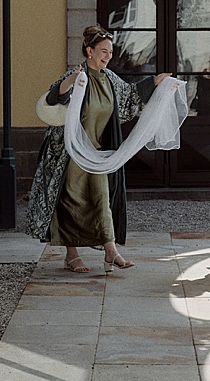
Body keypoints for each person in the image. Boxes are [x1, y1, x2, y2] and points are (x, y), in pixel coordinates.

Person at [26, 24, 171, 273]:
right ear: (89, 51)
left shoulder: (110, 79)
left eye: (111, 52)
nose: (107, 56)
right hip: (70, 151)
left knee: (102, 197)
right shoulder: (78, 75)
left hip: (99, 152)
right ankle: (72, 255)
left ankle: (110, 251)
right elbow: (53, 98)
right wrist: (69, 82)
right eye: (103, 51)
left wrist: (155, 83)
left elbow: (130, 98)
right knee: (72, 200)